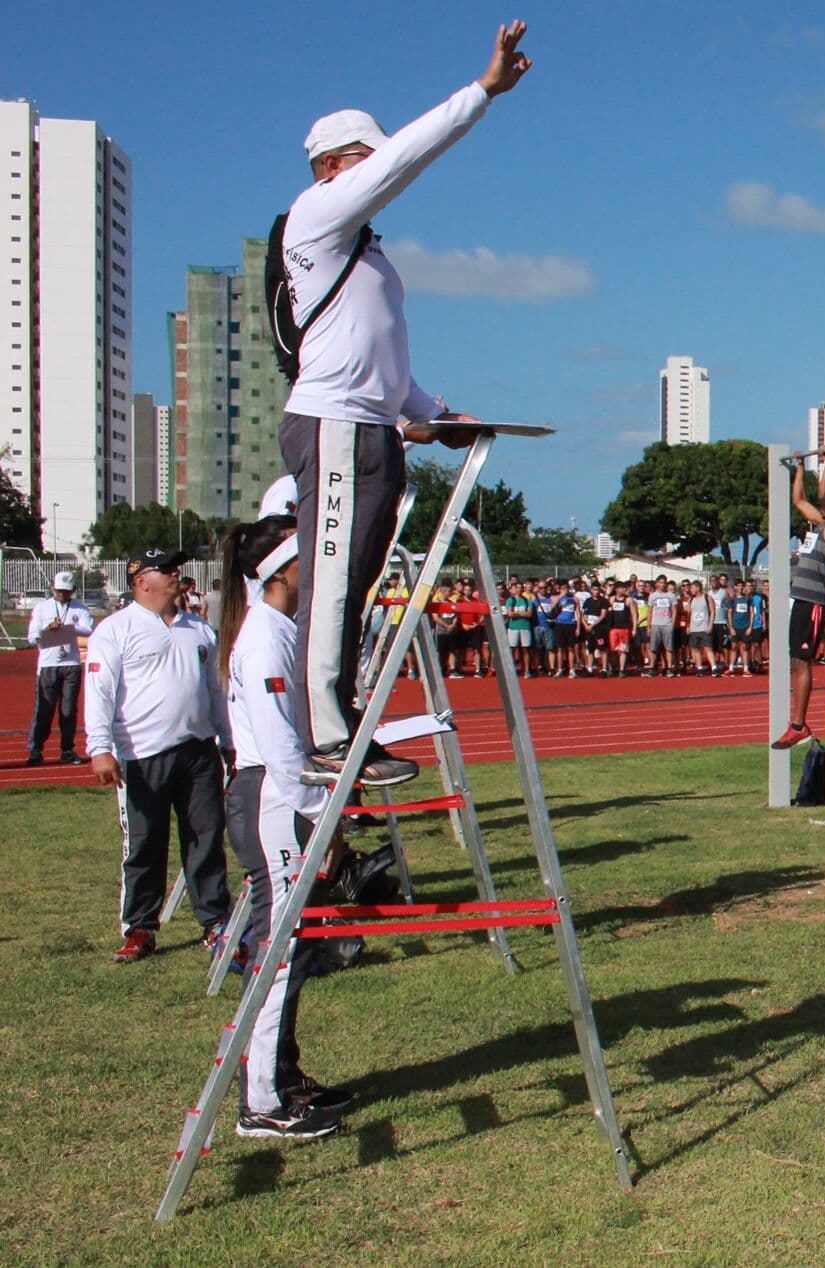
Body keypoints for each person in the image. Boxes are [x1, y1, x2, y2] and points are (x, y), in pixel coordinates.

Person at [281, 22, 530, 786]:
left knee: (354, 581)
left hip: (372, 426)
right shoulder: (317, 214)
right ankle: (323, 732)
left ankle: (343, 723)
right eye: (364, 159)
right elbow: (405, 158)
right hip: (332, 422)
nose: (376, 172)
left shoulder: (366, 250)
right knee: (329, 577)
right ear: (331, 166)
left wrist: (438, 412)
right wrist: (481, 94)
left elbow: (384, 359)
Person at [214, 515, 353, 1139]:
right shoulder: (266, 639)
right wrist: (322, 817)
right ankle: (263, 1101)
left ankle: (281, 1076)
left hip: (279, 797)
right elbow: (280, 749)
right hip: (275, 799)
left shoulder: (281, 630)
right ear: (285, 569)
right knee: (280, 949)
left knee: (291, 950)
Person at [84, 548, 235, 963]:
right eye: (165, 569)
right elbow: (100, 692)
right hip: (142, 754)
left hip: (199, 750)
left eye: (175, 568)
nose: (175, 575)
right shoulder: (115, 630)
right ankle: (139, 927)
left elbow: (216, 690)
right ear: (140, 581)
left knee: (205, 837)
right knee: (145, 843)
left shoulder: (198, 629)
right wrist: (100, 748)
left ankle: (215, 920)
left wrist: (228, 739)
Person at [26, 569, 94, 765]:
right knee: (43, 709)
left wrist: (66, 628)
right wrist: (48, 629)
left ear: (73, 590)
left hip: (71, 663)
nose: (62, 594)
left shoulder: (80, 609)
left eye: (66, 591)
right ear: (52, 589)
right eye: (58, 591)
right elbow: (32, 637)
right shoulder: (42, 608)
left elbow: (89, 629)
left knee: (68, 710)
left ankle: (67, 749)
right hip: (48, 664)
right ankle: (36, 750)